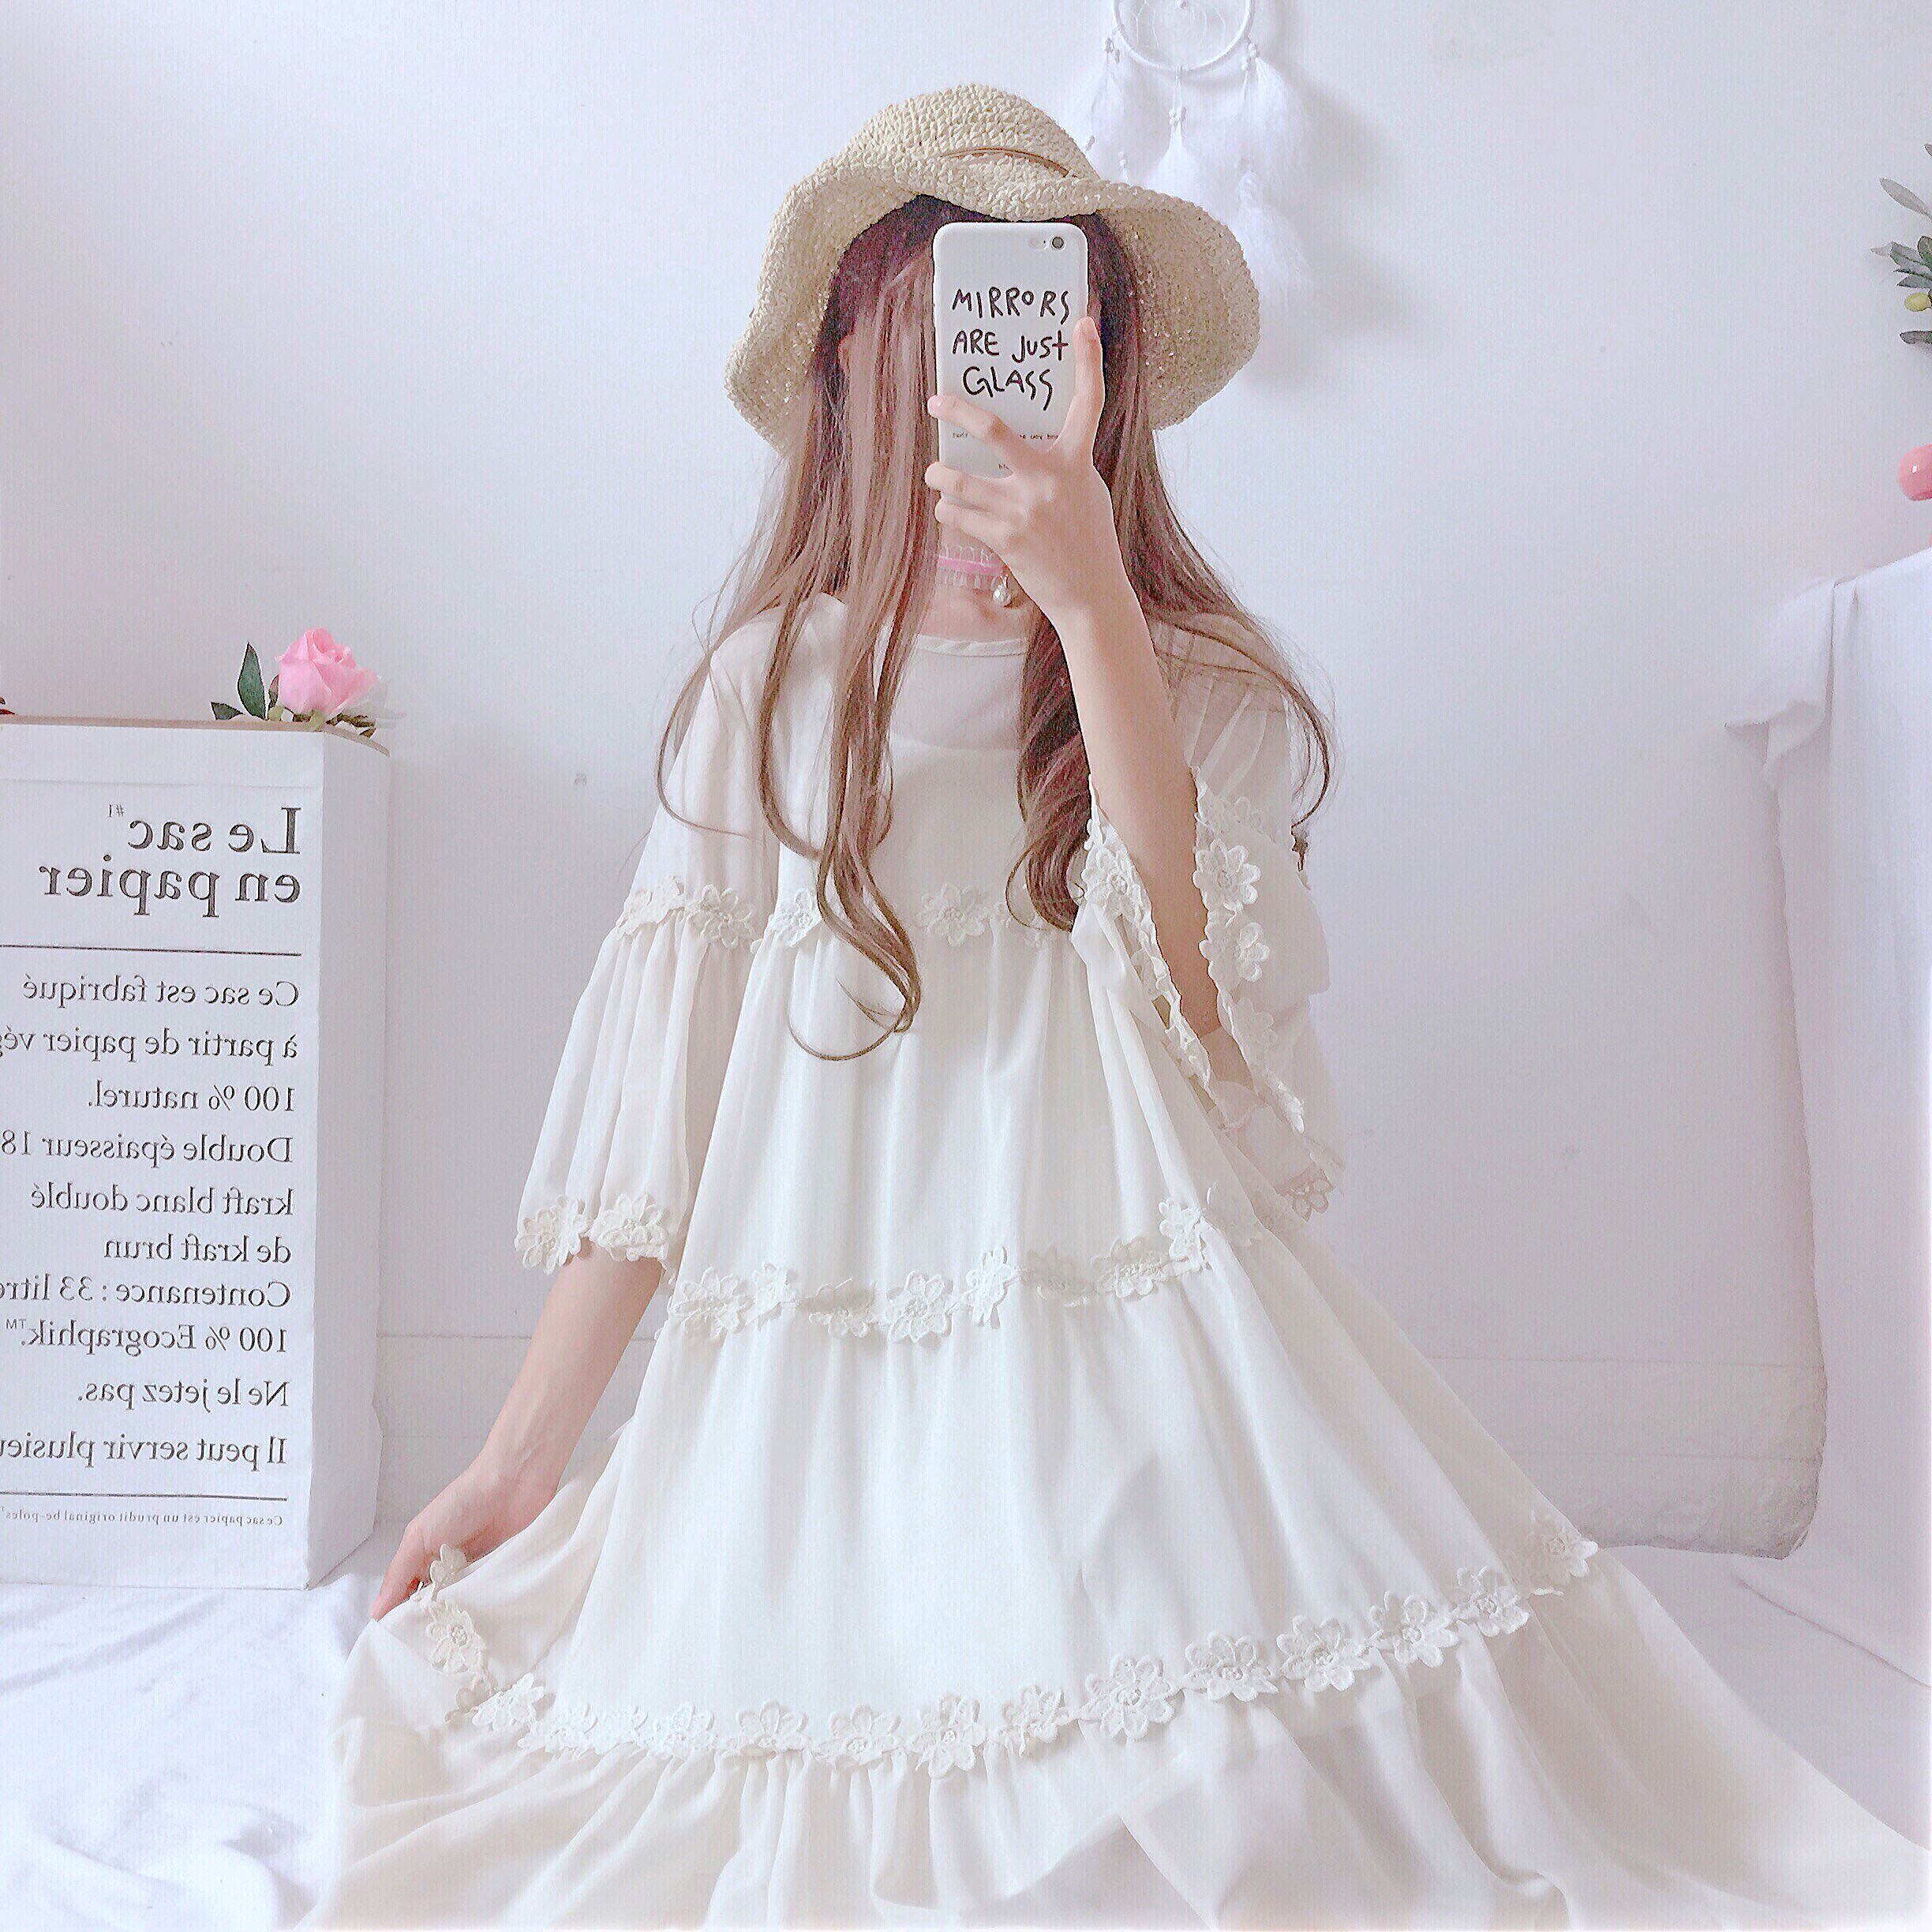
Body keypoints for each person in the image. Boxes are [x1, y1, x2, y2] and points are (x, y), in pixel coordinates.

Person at [305, 84, 1926, 1927]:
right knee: (788, 1766)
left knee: (1218, 1782)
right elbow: (659, 1121)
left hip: (1130, 1359)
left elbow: (1205, 1020)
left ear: (1105, 385)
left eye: (1023, 356)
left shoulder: (1192, 686)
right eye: (928, 365)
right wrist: (518, 1459)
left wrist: (1092, 619)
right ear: (847, 381)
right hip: (821, 1385)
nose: (974, 412)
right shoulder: (772, 688)